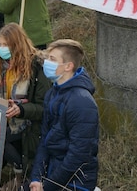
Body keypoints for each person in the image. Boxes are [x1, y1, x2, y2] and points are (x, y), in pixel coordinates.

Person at [29, 39, 99, 191]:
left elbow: (78, 156)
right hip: (53, 175)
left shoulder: (82, 103)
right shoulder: (52, 93)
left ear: (68, 66)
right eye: (47, 58)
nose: (46, 62)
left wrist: (47, 186)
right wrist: (36, 178)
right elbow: (45, 140)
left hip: (75, 183)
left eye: (52, 59)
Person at [0, 22, 51, 191]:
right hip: (8, 120)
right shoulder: (1, 66)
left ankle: (21, 175)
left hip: (29, 125)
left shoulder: (37, 68)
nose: (2, 49)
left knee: (0, 138)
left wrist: (21, 110)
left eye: (6, 45)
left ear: (17, 45)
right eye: (0, 45)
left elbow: (44, 107)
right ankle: (13, 170)